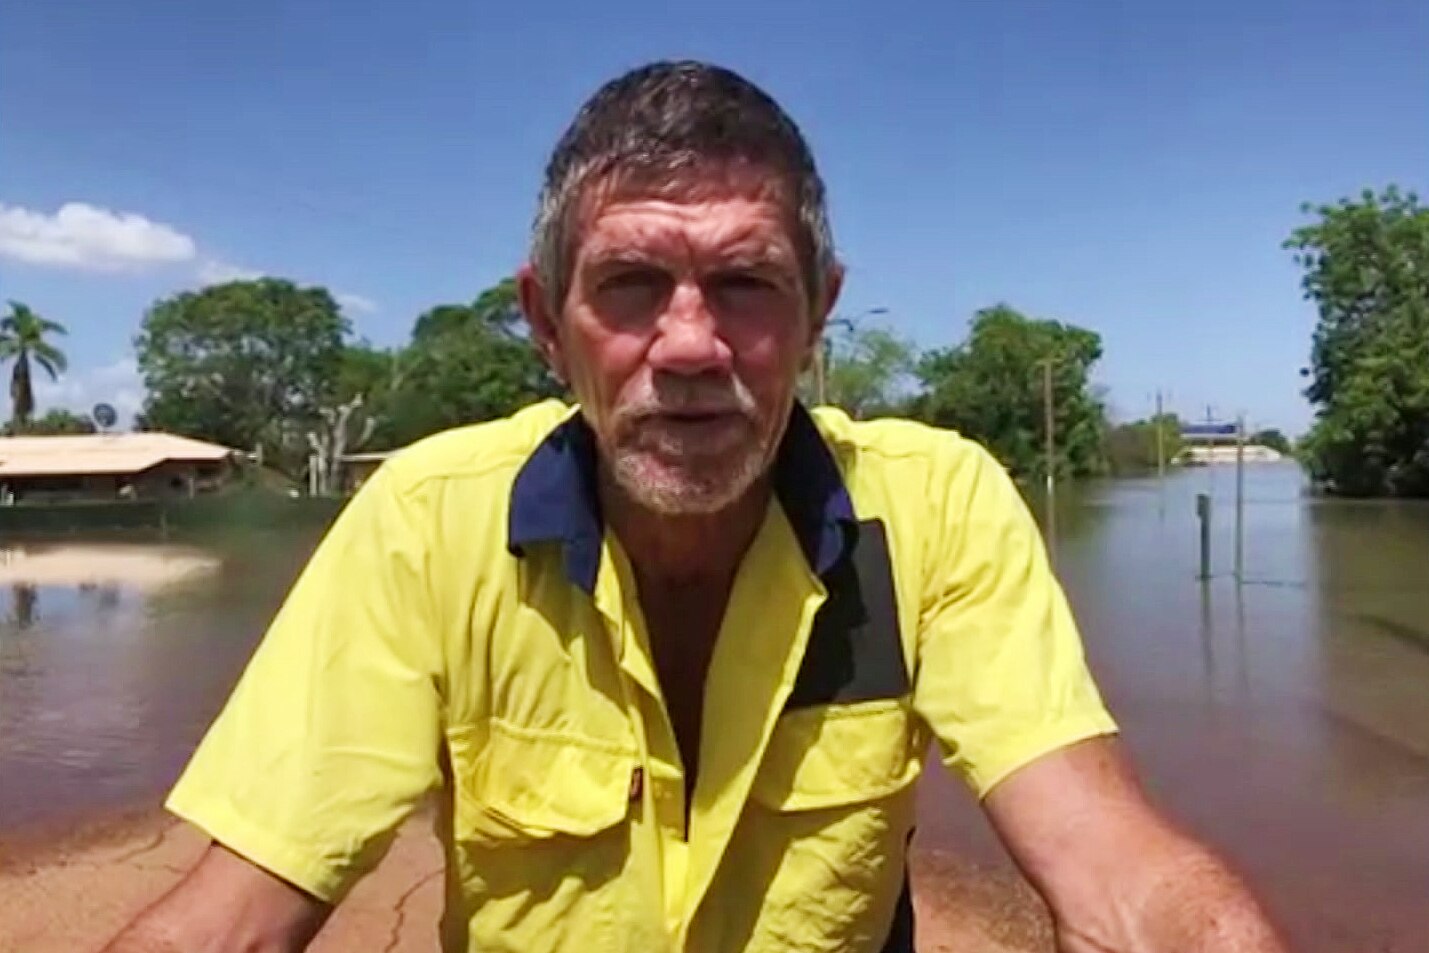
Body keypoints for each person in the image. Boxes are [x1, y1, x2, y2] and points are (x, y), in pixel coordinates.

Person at [102, 61, 1287, 953]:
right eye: (628, 283)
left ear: (818, 312)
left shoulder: (934, 511)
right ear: (544, 320)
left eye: (744, 284)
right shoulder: (430, 522)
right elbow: (239, 906)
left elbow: (1113, 863)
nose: (688, 344)